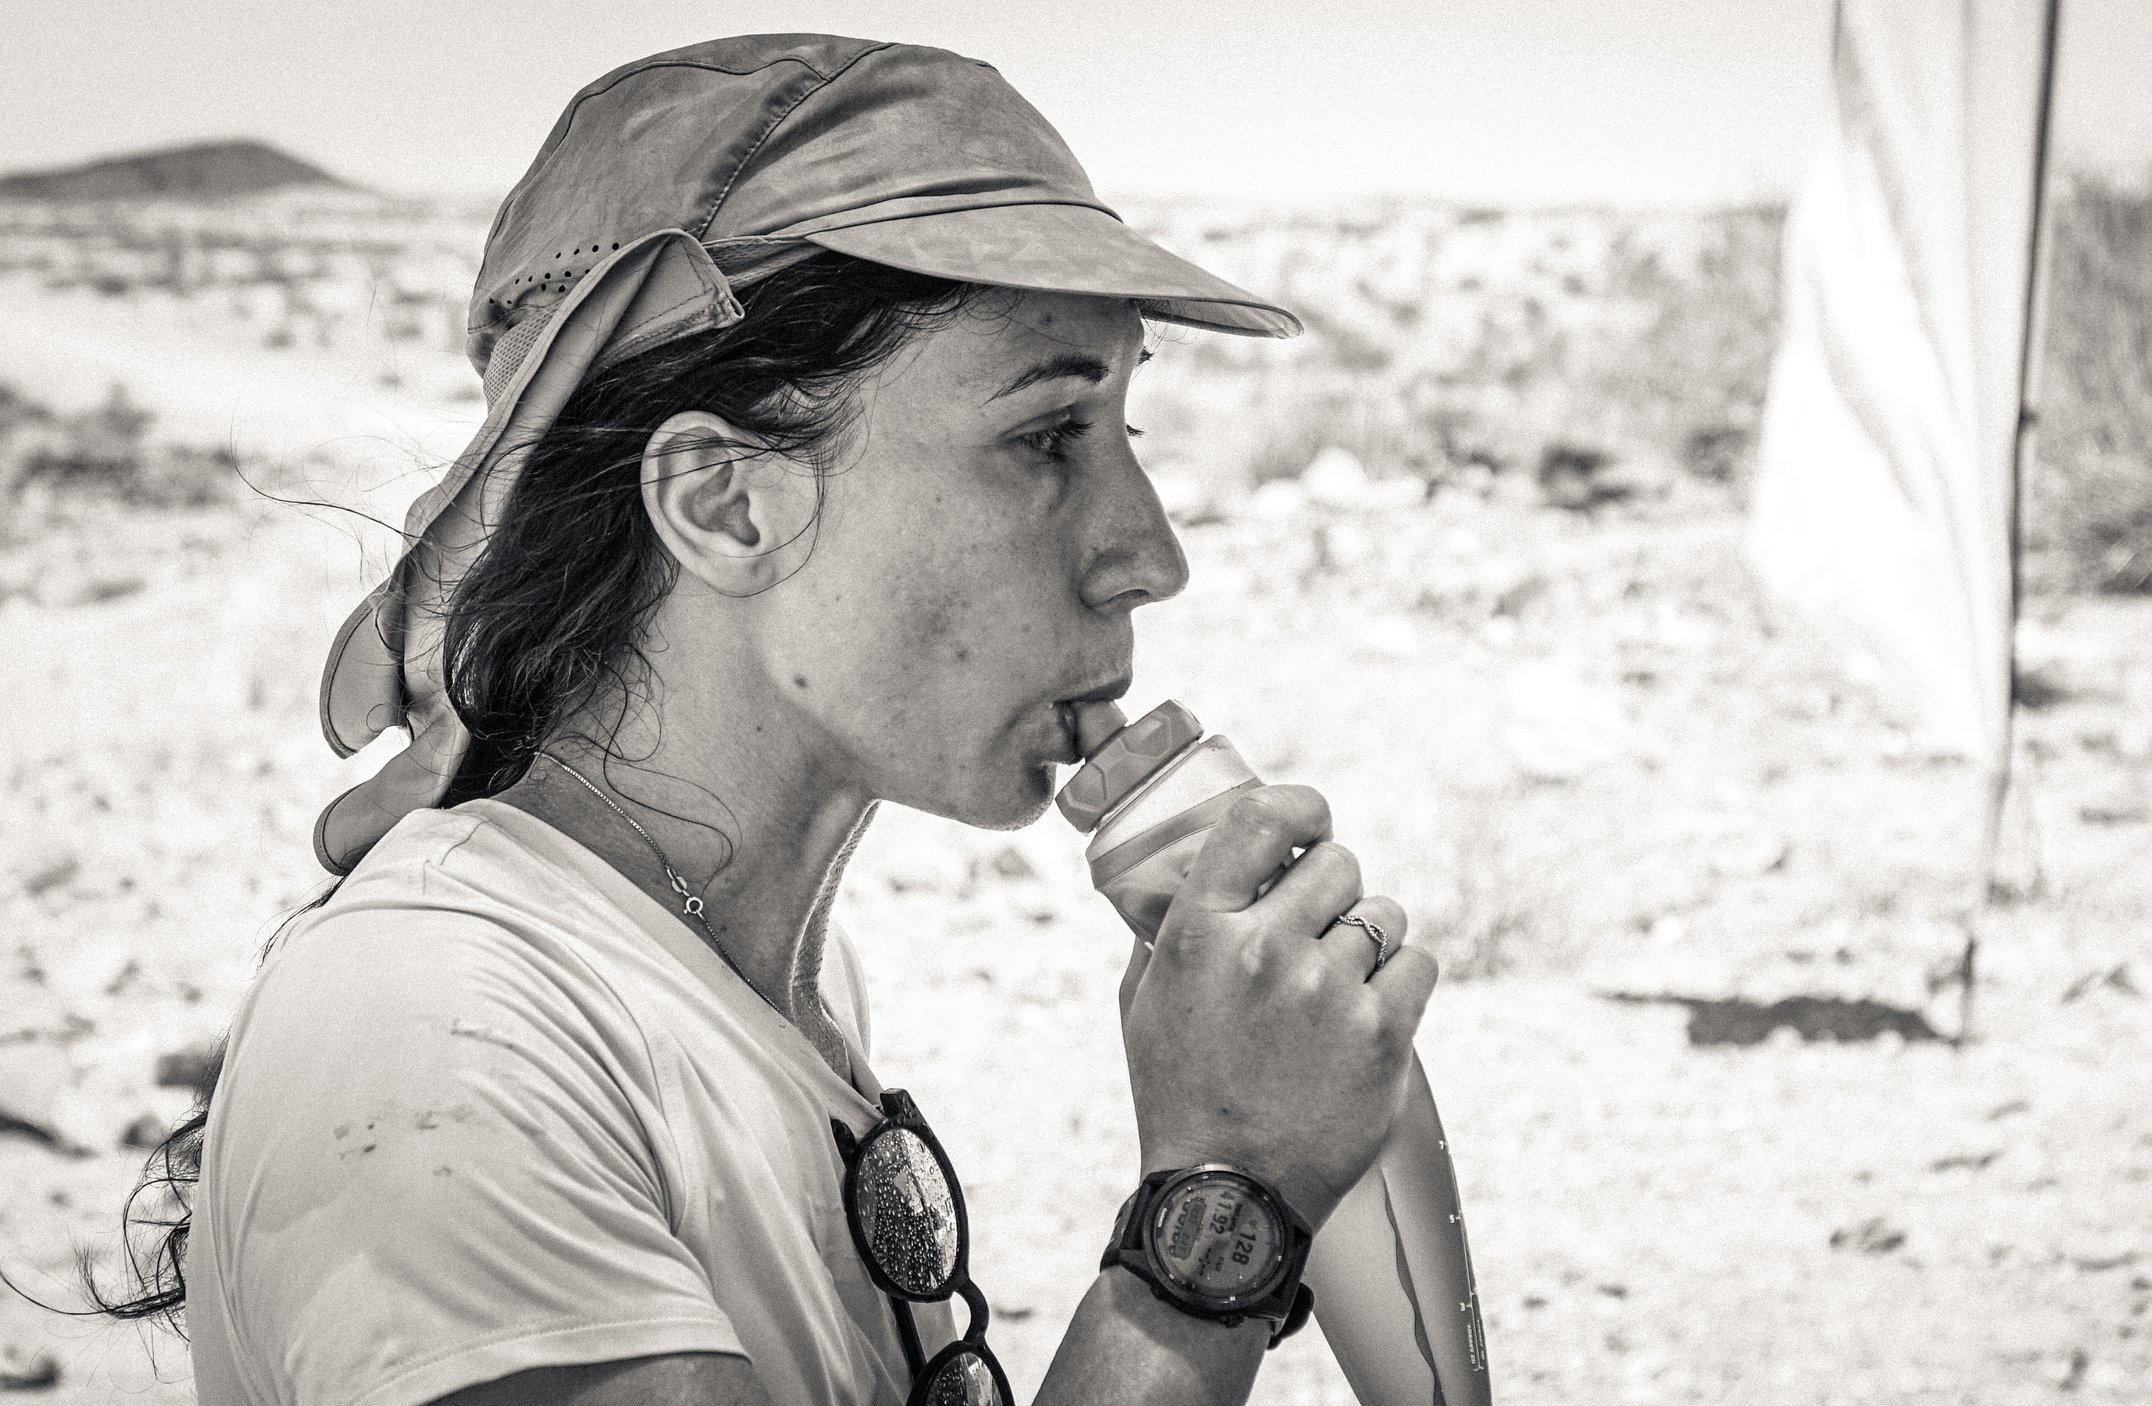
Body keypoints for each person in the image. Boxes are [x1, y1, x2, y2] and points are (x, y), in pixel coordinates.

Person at [100, 33, 1437, 1406]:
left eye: (1127, 436)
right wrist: (1222, 1205)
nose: (1151, 553)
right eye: (1047, 437)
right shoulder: (447, 1035)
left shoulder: (756, 972)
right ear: (726, 504)